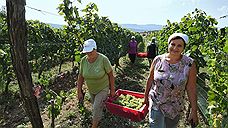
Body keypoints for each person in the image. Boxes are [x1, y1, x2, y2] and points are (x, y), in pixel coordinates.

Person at [144, 33, 198, 128]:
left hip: (175, 107)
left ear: (183, 48)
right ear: (168, 44)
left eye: (179, 45)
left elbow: (191, 88)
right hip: (157, 104)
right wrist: (145, 98)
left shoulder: (189, 64)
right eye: (172, 44)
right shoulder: (158, 60)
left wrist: (194, 111)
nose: (175, 48)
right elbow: (150, 79)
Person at [77, 39, 115, 128]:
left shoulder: (103, 59)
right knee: (97, 106)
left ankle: (94, 126)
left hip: (103, 88)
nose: (88, 54)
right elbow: (81, 76)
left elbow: (111, 75)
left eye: (90, 51)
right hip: (91, 89)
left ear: (95, 49)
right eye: (87, 52)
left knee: (95, 108)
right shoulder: (83, 61)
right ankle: (102, 114)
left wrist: (112, 90)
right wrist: (79, 91)